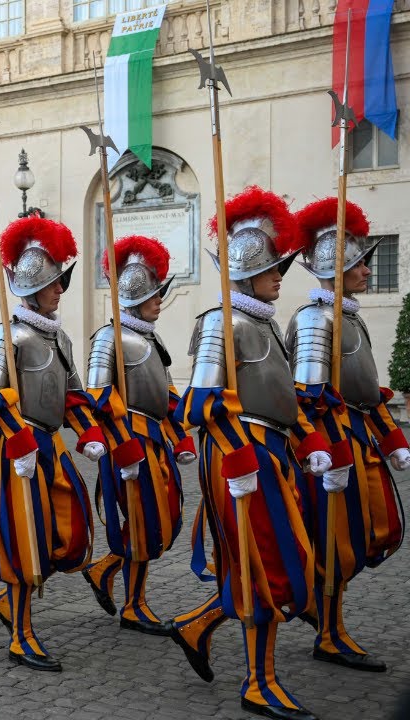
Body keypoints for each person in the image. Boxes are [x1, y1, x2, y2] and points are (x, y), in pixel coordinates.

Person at [169, 186, 334, 720]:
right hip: (240, 457)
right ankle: (259, 683)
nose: (280, 277)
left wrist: (308, 440)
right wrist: (239, 456)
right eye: (271, 270)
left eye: (280, 268)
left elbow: (284, 396)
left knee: (270, 562)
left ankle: (199, 631)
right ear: (245, 274)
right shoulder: (223, 322)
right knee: (261, 568)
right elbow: (198, 407)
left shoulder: (263, 320)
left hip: (271, 453)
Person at [286, 197, 407, 672]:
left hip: (355, 437)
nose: (365, 271)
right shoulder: (318, 318)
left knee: (352, 538)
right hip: (330, 445)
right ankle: (329, 632)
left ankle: (330, 624)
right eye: (358, 264)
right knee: (333, 542)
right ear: (336, 271)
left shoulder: (348, 315)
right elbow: (309, 394)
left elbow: (363, 391)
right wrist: (326, 452)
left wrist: (391, 437)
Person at [0, 216, 97, 671]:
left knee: (61, 530)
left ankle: (13, 610)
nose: (60, 289)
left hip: (49, 447)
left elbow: (75, 396)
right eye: (53, 283)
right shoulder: (10, 335)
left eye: (61, 282)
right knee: (23, 539)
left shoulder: (58, 336)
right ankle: (21, 634)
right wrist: (18, 439)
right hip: (15, 450)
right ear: (32, 286)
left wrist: (92, 434)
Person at [79, 236, 196, 636]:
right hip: (126, 442)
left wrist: (180, 429)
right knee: (143, 521)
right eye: (154, 294)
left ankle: (105, 568)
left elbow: (164, 390)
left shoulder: (150, 337)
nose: (160, 300)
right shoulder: (108, 338)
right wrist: (121, 442)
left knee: (160, 519)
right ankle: (133, 604)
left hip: (154, 438)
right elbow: (97, 394)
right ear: (134, 294)